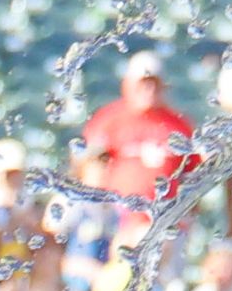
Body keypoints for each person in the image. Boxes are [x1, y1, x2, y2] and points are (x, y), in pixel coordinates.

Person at [78, 52, 200, 208]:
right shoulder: (110, 119)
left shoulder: (178, 125)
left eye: (154, 83)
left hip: (165, 214)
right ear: (128, 85)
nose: (149, 89)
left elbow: (193, 175)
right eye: (143, 83)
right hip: (119, 215)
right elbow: (89, 165)